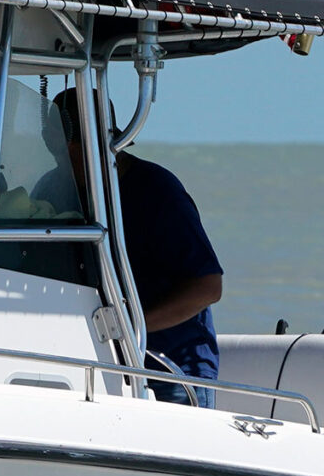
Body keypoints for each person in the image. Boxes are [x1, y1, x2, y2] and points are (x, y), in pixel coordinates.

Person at [54, 87, 223, 405]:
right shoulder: (55, 189)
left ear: (100, 141)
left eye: (68, 149)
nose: (60, 159)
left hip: (171, 371)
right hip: (99, 364)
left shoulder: (158, 192)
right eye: (54, 150)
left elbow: (208, 287)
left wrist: (130, 327)